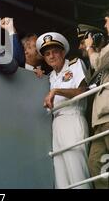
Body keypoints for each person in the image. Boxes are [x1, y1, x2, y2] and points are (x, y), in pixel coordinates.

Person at [36, 32, 91, 189]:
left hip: (73, 118)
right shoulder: (51, 76)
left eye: (55, 51)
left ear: (63, 52)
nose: (52, 56)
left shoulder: (75, 64)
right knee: (61, 177)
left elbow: (83, 91)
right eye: (47, 54)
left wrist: (56, 91)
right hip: (57, 123)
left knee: (77, 172)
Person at [85, 10, 109, 189]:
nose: (106, 26)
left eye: (107, 22)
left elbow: (98, 63)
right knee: (95, 163)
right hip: (100, 119)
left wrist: (90, 47)